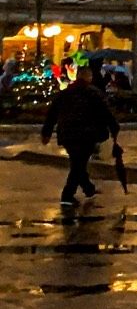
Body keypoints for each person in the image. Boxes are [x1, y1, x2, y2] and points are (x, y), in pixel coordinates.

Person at [41, 66, 119, 208]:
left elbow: (52, 114)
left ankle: (88, 189)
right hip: (87, 134)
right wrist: (114, 128)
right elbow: (105, 112)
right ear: (88, 77)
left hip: (67, 133)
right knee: (79, 164)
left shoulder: (65, 93)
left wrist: (46, 133)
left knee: (77, 162)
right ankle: (67, 195)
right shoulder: (93, 93)